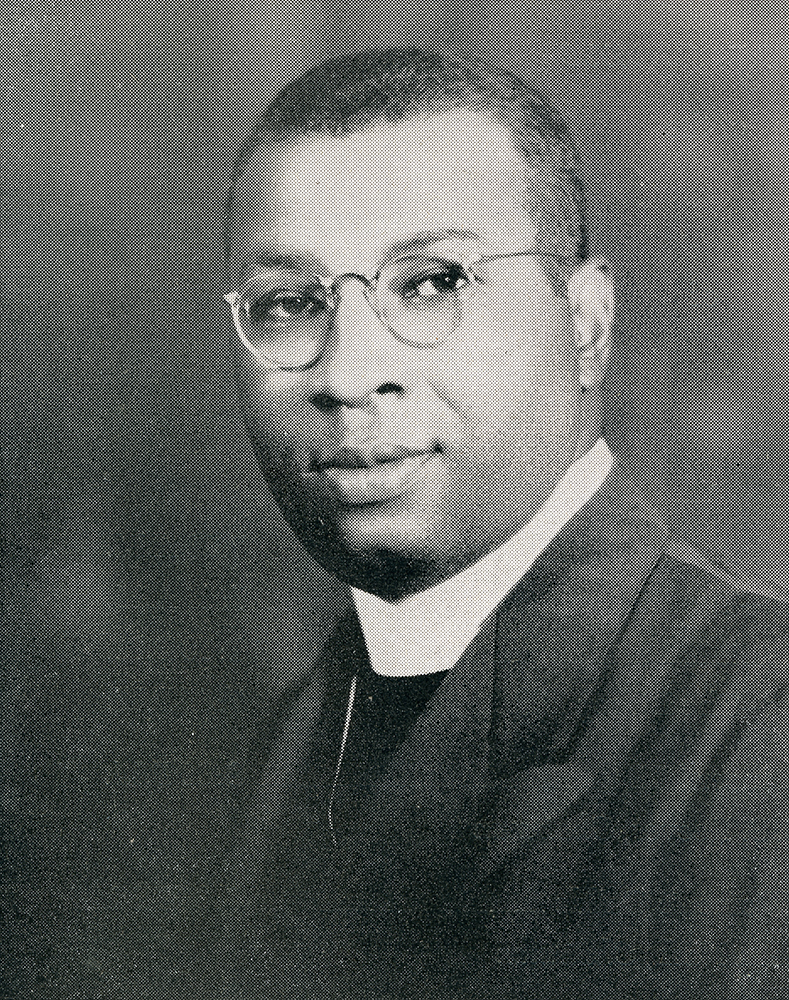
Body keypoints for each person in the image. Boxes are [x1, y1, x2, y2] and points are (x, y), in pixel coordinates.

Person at [1, 46, 785, 1000]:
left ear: (584, 323)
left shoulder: (753, 720)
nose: (345, 374)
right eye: (290, 304)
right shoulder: (301, 731)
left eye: (431, 283)